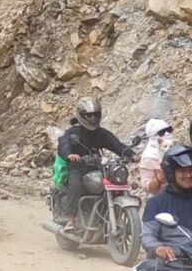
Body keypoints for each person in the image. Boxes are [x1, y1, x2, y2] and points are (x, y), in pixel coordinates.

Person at [57, 97, 135, 231]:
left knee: (115, 183)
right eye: (89, 115)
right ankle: (71, 220)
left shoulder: (101, 133)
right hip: (78, 167)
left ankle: (108, 216)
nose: (93, 118)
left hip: (98, 167)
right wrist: (69, 154)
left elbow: (116, 145)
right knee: (76, 185)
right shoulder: (73, 132)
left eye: (96, 114)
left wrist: (131, 154)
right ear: (81, 115)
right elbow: (64, 144)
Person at [141, 118, 176, 195]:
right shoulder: (149, 157)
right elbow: (147, 187)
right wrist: (159, 178)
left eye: (169, 130)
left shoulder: (177, 148)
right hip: (164, 199)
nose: (167, 134)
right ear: (153, 136)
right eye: (162, 132)